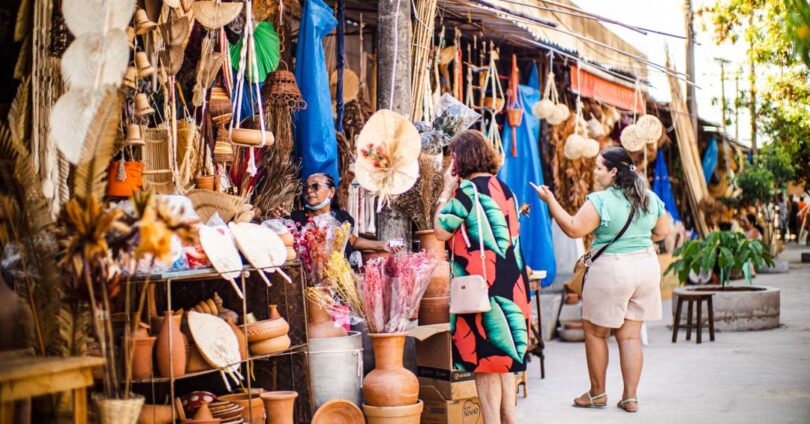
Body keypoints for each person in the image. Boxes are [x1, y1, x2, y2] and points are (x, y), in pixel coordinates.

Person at [531, 146, 670, 413]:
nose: (594, 173)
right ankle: (630, 397)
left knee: (595, 332)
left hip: (612, 270)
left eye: (598, 168)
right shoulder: (648, 197)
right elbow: (663, 231)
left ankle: (597, 393)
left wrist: (550, 201)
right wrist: (637, 241)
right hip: (646, 267)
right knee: (629, 337)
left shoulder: (600, 200)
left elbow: (573, 228)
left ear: (614, 172)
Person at [433, 130, 530, 424]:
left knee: (486, 361)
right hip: (512, 283)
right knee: (504, 357)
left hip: (480, 287)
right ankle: (509, 418)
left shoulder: (466, 192)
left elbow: (440, 229)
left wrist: (444, 190)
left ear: (461, 159)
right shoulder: (505, 189)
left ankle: (491, 421)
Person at [282, 173, 401, 255]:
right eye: (306, 188)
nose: (309, 190)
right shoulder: (294, 218)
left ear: (331, 192)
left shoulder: (342, 218)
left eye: (315, 186)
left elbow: (352, 241)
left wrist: (384, 245)